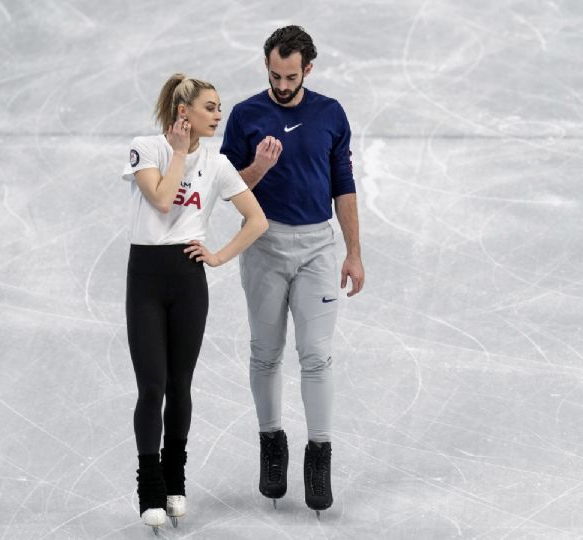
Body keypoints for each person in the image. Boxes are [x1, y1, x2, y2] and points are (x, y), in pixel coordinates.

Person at [220, 25, 365, 517]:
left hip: (317, 249)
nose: (282, 86)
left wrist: (354, 252)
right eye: (275, 75)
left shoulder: (329, 113)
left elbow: (343, 184)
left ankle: (319, 456)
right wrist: (258, 168)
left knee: (317, 355)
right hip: (262, 244)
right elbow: (225, 187)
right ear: (267, 66)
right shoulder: (245, 115)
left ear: (308, 69)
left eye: (291, 76)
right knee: (265, 353)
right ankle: (271, 445)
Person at [121, 73, 274, 531]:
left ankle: (175, 480)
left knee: (180, 386)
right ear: (183, 112)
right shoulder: (147, 148)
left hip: (188, 282)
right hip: (146, 279)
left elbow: (256, 220)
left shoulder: (219, 163)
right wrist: (181, 153)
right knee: (152, 387)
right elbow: (164, 200)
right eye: (211, 107)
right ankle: (150, 485)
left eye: (219, 107)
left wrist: (219, 256)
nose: (219, 114)